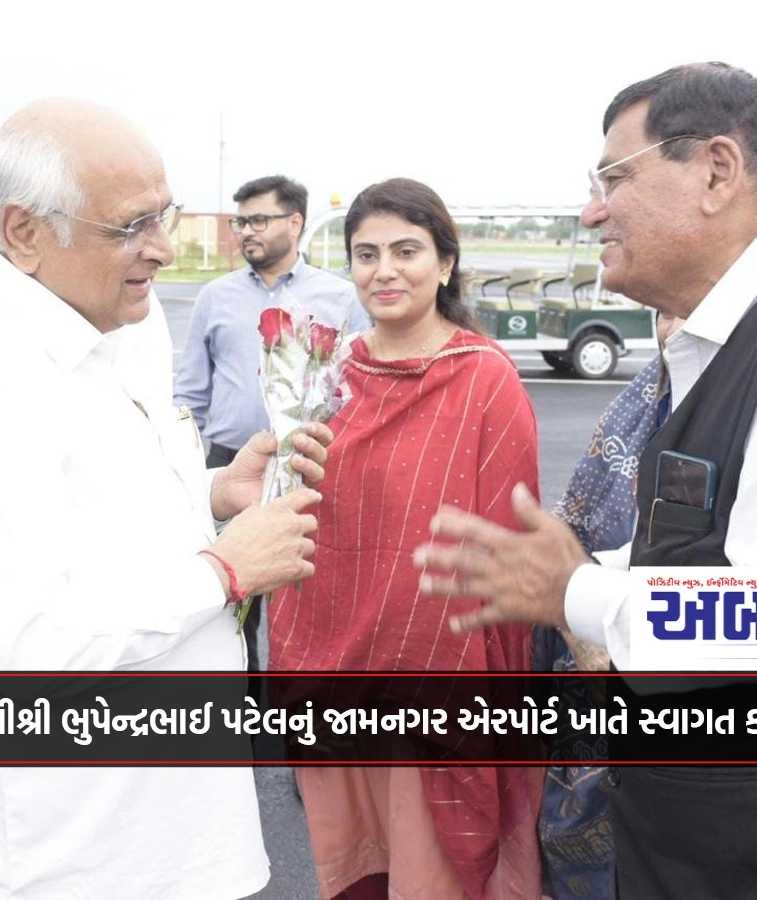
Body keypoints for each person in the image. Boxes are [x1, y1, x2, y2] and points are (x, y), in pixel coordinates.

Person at [415, 62, 757, 898]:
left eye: (612, 179)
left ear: (716, 171)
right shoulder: (739, 337)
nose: (592, 210)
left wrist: (578, 591)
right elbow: (722, 551)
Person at [0, 97, 329, 899]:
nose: (166, 249)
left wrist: (213, 494)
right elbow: (31, 642)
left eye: (166, 216)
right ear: (25, 231)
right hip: (47, 856)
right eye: (131, 227)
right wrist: (223, 571)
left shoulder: (110, 317)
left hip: (159, 831)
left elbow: (95, 503)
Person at [268, 177, 543, 900]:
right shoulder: (327, 373)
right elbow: (302, 511)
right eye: (365, 254)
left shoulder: (485, 379)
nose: (383, 270)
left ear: (445, 264)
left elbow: (510, 549)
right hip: (337, 665)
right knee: (358, 869)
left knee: (434, 873)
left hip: (439, 678)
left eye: (406, 250)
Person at [174, 174, 368, 689]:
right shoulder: (215, 298)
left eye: (259, 220)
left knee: (312, 589)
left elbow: (361, 388)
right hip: (232, 464)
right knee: (233, 597)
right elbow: (190, 393)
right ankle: (243, 706)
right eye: (241, 222)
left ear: (296, 223)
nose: (246, 232)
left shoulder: (342, 297)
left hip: (311, 466)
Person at [534, 312, 680, 900]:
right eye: (665, 315)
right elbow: (575, 524)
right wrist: (580, 626)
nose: (673, 329)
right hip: (590, 661)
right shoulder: (636, 401)